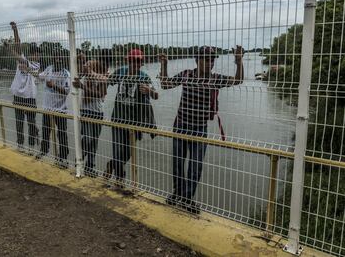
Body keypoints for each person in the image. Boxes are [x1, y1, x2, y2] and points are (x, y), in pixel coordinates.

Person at [159, 45, 244, 214]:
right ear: (197, 60)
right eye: (206, 59)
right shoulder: (186, 75)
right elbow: (165, 85)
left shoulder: (215, 79)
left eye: (212, 60)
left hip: (199, 128)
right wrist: (164, 65)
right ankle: (177, 194)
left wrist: (239, 61)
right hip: (181, 125)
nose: (210, 63)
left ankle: (187, 199)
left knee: (195, 166)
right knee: (178, 162)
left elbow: (238, 80)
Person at [107, 49, 158, 187]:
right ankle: (119, 179)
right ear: (127, 60)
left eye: (138, 60)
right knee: (117, 149)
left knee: (129, 152)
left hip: (134, 122)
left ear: (142, 62)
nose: (135, 63)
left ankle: (113, 164)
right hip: (118, 118)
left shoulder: (144, 77)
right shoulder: (120, 72)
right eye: (132, 60)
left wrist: (149, 91)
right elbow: (107, 80)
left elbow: (156, 95)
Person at [5, 21, 41, 154]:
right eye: (34, 53)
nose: (36, 56)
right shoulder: (23, 60)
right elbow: (18, 46)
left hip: (30, 98)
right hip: (18, 97)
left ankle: (31, 147)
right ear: (30, 54)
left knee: (31, 123)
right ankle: (20, 145)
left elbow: (33, 71)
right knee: (19, 122)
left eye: (38, 54)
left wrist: (11, 50)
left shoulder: (37, 66)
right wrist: (15, 30)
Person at [73, 55, 109, 177]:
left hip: (98, 112)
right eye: (85, 65)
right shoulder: (83, 77)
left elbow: (100, 94)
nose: (86, 67)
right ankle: (79, 161)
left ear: (94, 67)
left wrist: (83, 87)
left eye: (89, 65)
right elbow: (76, 72)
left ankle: (90, 166)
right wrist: (80, 60)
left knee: (94, 141)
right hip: (85, 111)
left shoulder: (101, 78)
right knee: (88, 138)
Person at [36, 49, 70, 166]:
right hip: (47, 108)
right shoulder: (49, 69)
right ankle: (43, 151)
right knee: (46, 131)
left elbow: (66, 92)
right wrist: (29, 69)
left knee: (61, 133)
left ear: (63, 59)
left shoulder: (66, 74)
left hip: (61, 109)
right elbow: (39, 76)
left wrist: (53, 85)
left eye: (60, 57)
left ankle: (63, 157)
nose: (58, 58)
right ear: (53, 58)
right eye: (55, 56)